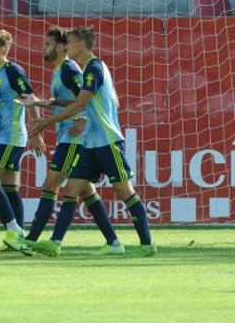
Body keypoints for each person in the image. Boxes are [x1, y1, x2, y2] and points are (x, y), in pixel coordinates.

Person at [29, 26, 156, 257]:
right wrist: (50, 103)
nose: (66, 47)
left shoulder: (94, 68)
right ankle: (55, 242)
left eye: (68, 42)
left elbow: (80, 104)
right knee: (71, 189)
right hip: (89, 144)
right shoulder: (88, 69)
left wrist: (46, 123)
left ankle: (147, 244)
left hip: (107, 141)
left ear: (79, 44)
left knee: (123, 190)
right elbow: (82, 102)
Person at [16, 27, 123, 256]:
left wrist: (83, 120)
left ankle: (32, 239)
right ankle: (113, 242)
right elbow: (68, 101)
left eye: (48, 44)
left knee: (51, 184)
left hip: (74, 138)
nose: (43, 48)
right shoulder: (59, 71)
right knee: (85, 192)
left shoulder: (69, 70)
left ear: (62, 46)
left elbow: (83, 99)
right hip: (68, 136)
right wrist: (40, 102)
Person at [0, 28, 45, 254]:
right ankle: (19, 236)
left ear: (3, 49)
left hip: (13, 137)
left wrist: (37, 132)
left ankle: (12, 230)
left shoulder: (13, 71)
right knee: (10, 188)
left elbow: (30, 99)